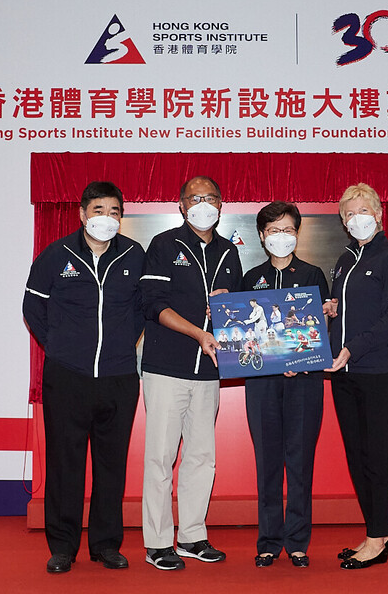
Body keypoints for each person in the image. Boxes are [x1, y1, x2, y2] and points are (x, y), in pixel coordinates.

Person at [22, 181, 145, 574]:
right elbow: (33, 307)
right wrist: (59, 347)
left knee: (112, 465)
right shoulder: (56, 254)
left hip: (119, 376)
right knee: (65, 463)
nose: (105, 218)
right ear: (82, 213)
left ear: (121, 217)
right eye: (98, 210)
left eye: (113, 211)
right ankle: (62, 546)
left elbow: (144, 309)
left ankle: (106, 544)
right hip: (68, 376)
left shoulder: (134, 255)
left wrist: (124, 343)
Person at [139, 176, 242, 570]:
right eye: (195, 198)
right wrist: (198, 331)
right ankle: (158, 541)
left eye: (211, 197)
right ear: (181, 204)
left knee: (202, 456)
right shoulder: (165, 245)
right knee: (161, 457)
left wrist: (231, 305)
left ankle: (192, 536)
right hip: (167, 367)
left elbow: (240, 309)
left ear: (221, 203)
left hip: (211, 369)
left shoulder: (229, 252)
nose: (203, 204)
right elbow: (154, 305)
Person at [323, 183, 388, 570]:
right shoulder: (344, 260)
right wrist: (330, 309)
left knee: (377, 457)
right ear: (343, 221)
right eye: (348, 213)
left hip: (376, 371)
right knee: (357, 455)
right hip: (344, 374)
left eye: (363, 210)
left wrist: (351, 349)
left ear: (379, 214)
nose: (356, 217)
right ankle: (374, 534)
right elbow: (350, 309)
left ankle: (378, 539)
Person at [240, 201, 330, 568]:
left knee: (300, 461)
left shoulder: (313, 275)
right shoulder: (251, 278)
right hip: (262, 383)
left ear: (297, 233)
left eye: (288, 230)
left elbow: (319, 332)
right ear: (262, 237)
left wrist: (299, 359)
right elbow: (245, 330)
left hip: (304, 383)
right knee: (268, 463)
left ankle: (297, 541)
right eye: (274, 231)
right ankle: (268, 540)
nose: (282, 237)